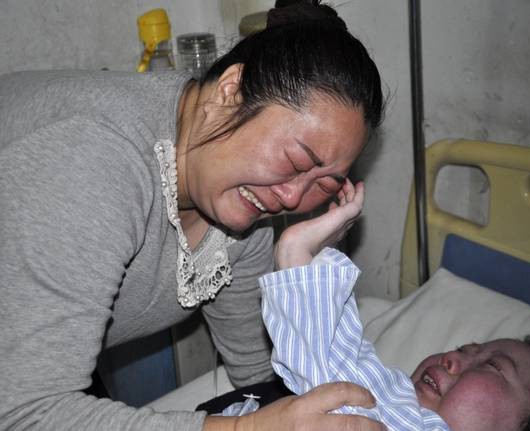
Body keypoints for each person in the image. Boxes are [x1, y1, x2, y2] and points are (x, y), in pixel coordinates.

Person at [0, 1, 386, 430]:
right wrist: (245, 428)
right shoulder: (92, 161)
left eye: (325, 183)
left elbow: (259, 375)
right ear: (229, 92)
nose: (293, 197)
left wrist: (298, 267)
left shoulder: (245, 203)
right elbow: (23, 411)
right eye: (296, 160)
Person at [219, 180, 530, 431]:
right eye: (466, 349)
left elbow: (330, 388)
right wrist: (317, 264)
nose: (452, 357)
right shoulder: (396, 403)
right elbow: (346, 363)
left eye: (493, 367)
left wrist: (298, 259)